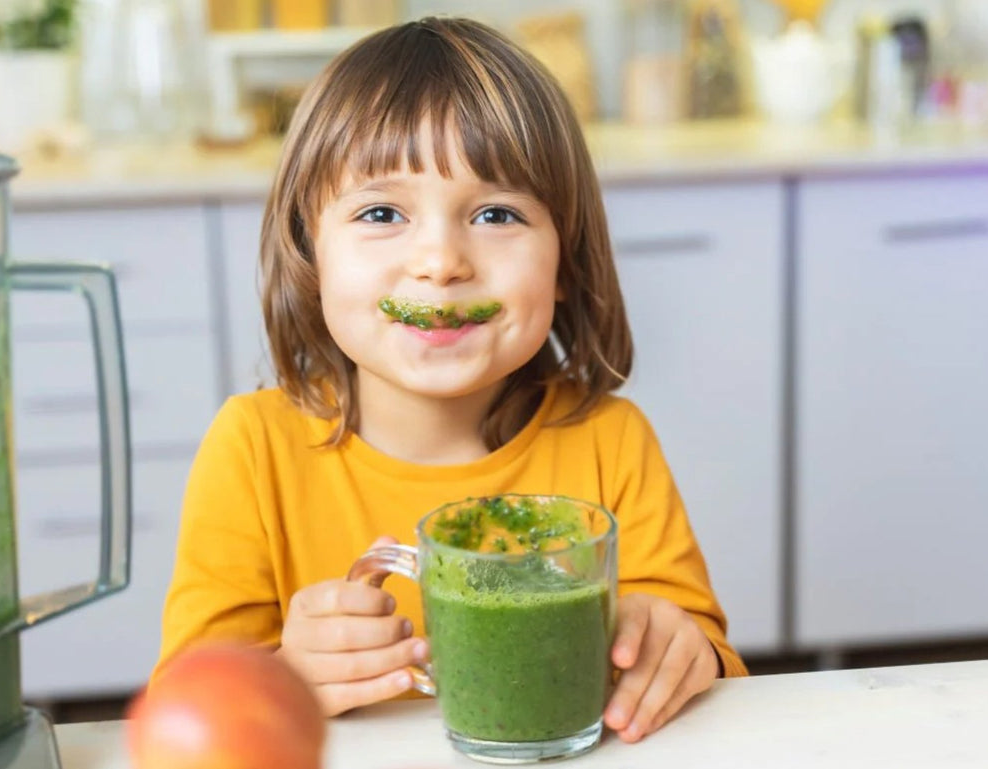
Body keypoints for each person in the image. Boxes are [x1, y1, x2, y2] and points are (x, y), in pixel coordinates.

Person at [156, 16, 747, 744]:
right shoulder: (253, 449)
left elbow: (708, 665)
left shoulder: (609, 441)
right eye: (382, 212)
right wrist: (284, 672)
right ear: (310, 255)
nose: (441, 261)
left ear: (564, 263)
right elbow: (186, 707)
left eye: (496, 213)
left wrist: (676, 650)